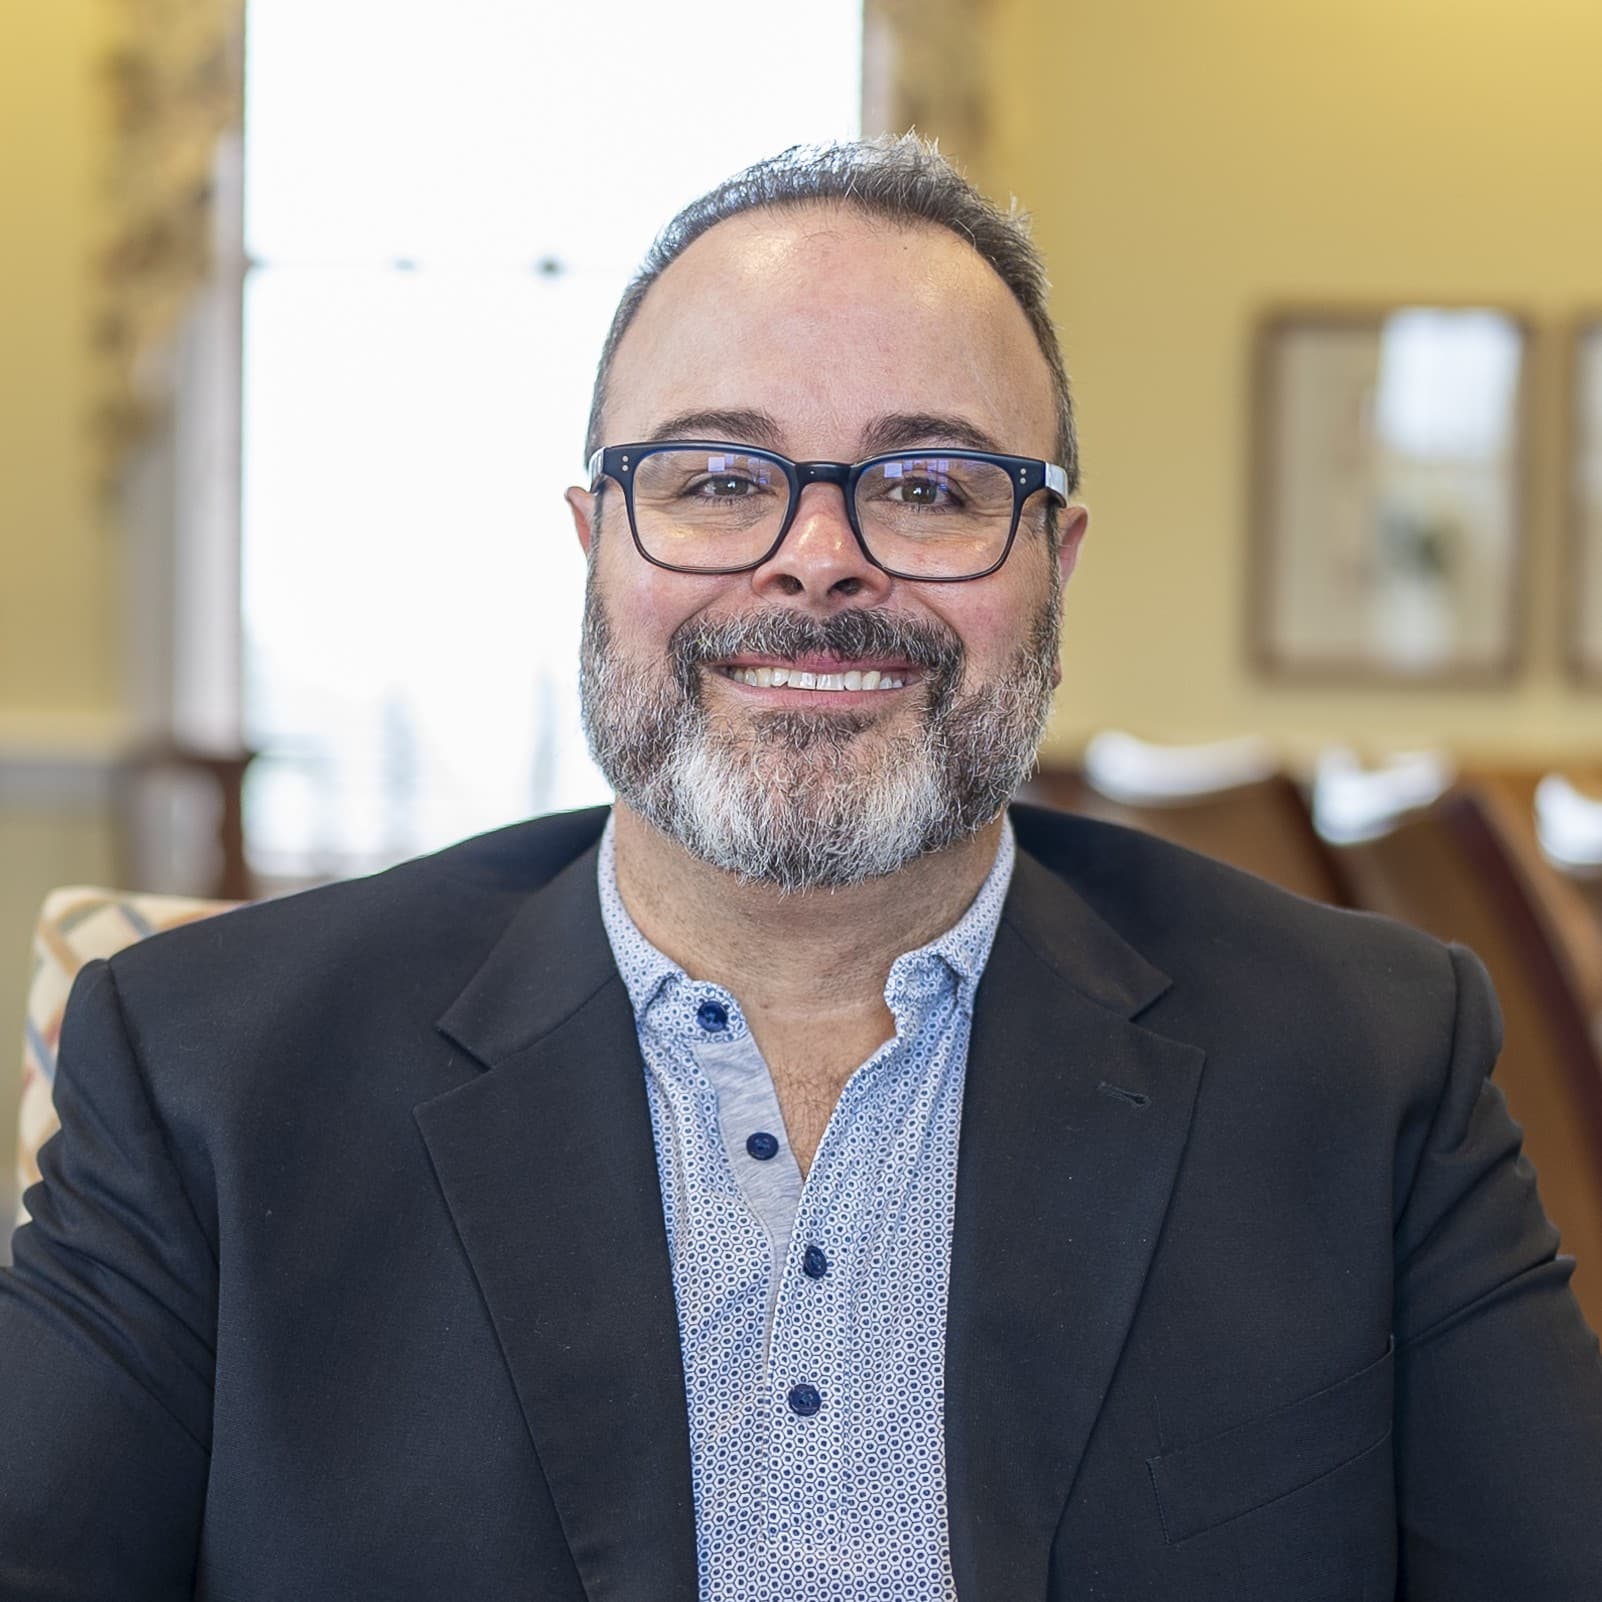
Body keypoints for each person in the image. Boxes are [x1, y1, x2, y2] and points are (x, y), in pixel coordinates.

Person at [3, 137, 1601, 1602]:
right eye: (715, 477)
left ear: (1053, 561)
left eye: (927, 486)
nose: (817, 554)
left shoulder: (1369, 1055)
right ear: (593, 544)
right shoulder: (203, 1065)